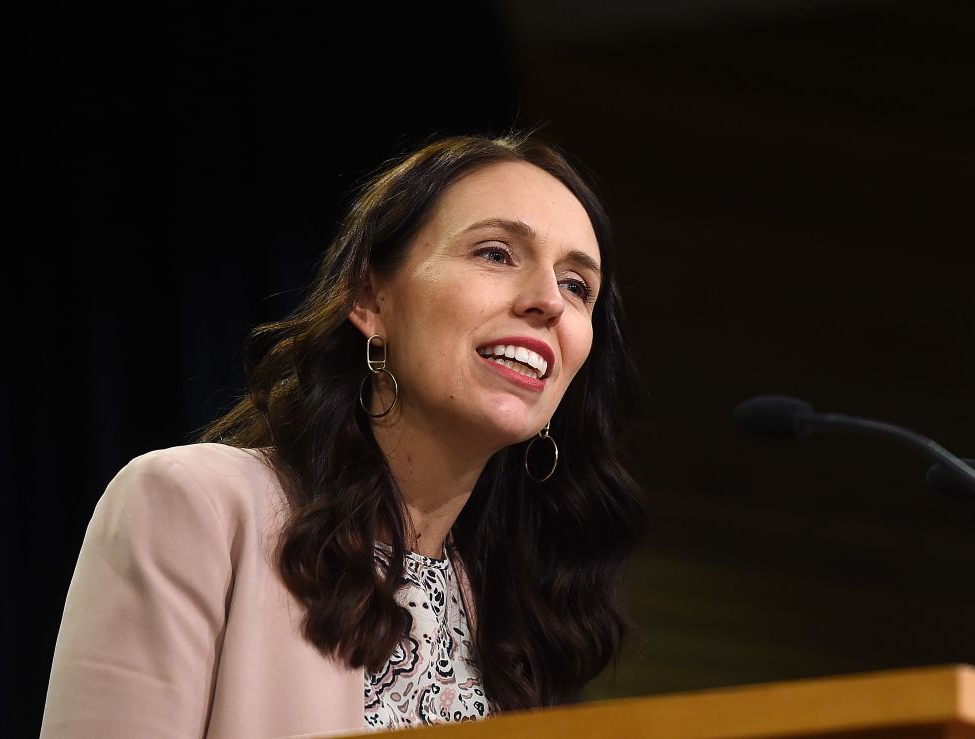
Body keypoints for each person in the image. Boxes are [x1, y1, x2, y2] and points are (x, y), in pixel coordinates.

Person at [41, 133, 645, 738]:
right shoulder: (196, 506)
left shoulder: (523, 611)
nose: (548, 302)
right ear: (368, 297)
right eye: (495, 253)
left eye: (577, 286)